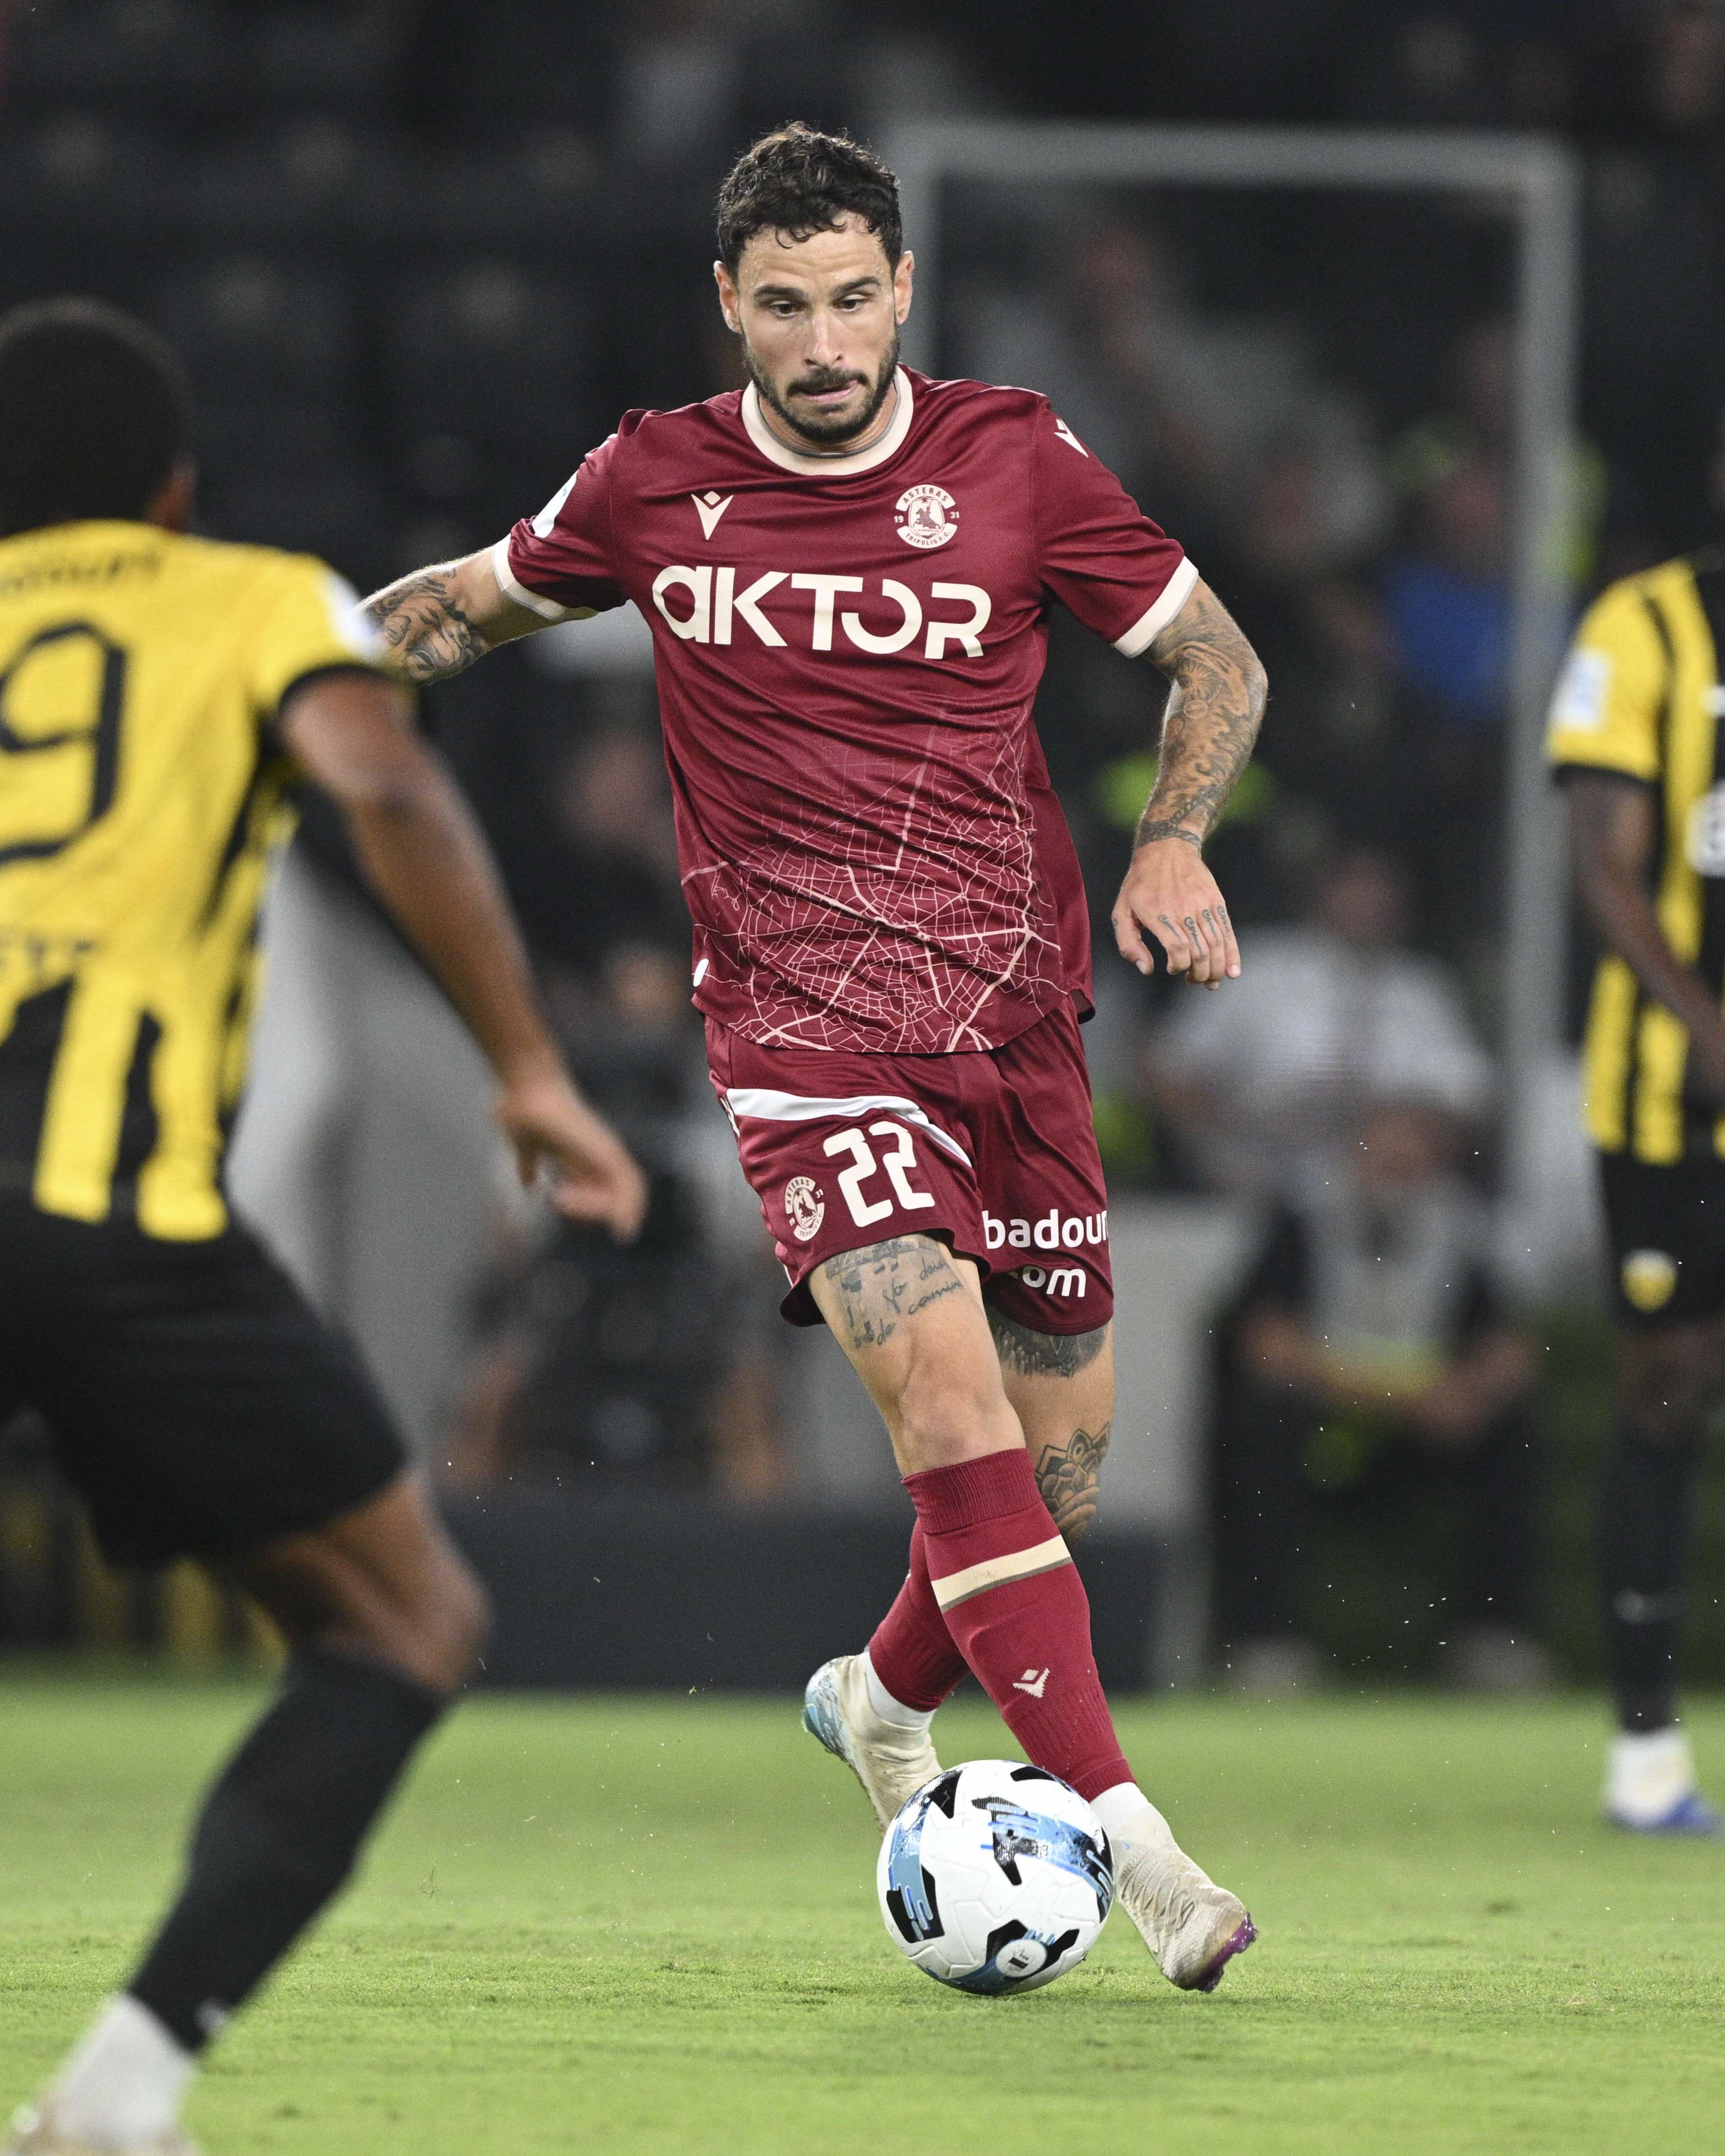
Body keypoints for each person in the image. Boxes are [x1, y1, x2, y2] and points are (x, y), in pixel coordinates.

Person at [361, 124, 1269, 1992]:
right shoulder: (653, 482)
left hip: (1015, 1023)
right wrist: (255, 681)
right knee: (945, 1411)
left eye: (855, 298)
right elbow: (456, 606)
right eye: (786, 305)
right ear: (730, 304)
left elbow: (1220, 662)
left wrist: (1172, 842)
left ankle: (879, 1695)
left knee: (1048, 1483)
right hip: (801, 1039)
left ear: (904, 287)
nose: (827, 340)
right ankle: (1136, 1841)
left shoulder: (1015, 457)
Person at [0, 300, 646, 2156]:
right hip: (112, 1221)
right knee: (403, 1620)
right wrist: (527, 1066)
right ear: (175, 491)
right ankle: (122, 2086)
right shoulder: (252, 597)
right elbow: (381, 776)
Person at [1548, 531, 1725, 1834]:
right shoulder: (1646, 626)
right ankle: (1646, 1744)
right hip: (1671, 1095)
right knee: (1670, 1382)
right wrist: (1702, 1019)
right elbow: (1602, 857)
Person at [1213, 1098, 1542, 1693]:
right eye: (1385, 1151)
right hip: (1324, 1430)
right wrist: (1395, 1398)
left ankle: (1493, 1637)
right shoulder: (1301, 1221)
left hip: (1422, 1443)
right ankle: (1266, 1639)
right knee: (1262, 1423)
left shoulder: (1465, 1231)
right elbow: (1268, 1349)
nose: (1399, 1165)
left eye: (1415, 1154)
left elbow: (1510, 1350)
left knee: (1511, 1429)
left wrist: (1468, 1392)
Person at [1148, 846, 1494, 1200]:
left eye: (1378, 889)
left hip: (1379, 1185)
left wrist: (1405, 1122)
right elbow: (1170, 1069)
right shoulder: (1257, 966)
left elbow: (1470, 1091)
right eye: (1354, 887)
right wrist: (1224, 1142)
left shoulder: (1421, 987)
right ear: (1324, 891)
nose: (1366, 902)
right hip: (1249, 1170)